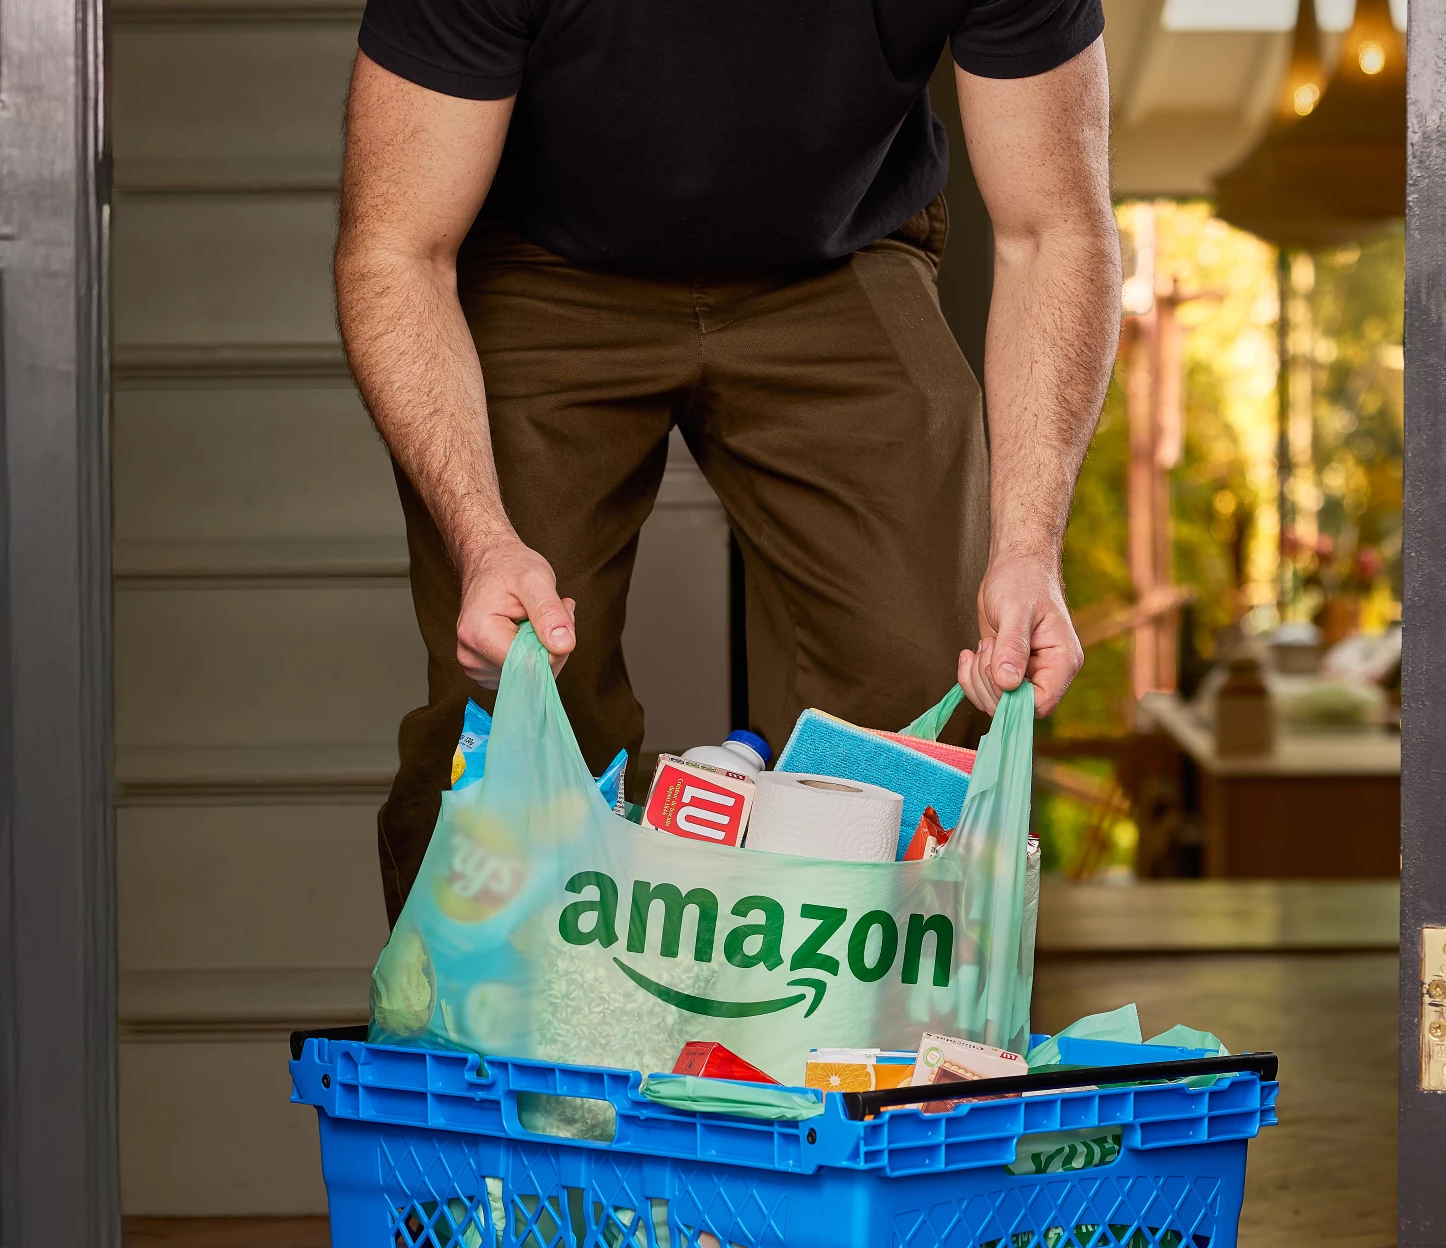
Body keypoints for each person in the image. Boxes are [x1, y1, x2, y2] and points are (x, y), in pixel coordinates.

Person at [341, 0, 1122, 920]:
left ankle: (857, 1049)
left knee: (930, 687)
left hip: (839, 254)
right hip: (543, 261)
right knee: (519, 709)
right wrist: (481, 538)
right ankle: (493, 1046)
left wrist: (1030, 547)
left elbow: (1054, 231)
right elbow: (396, 247)